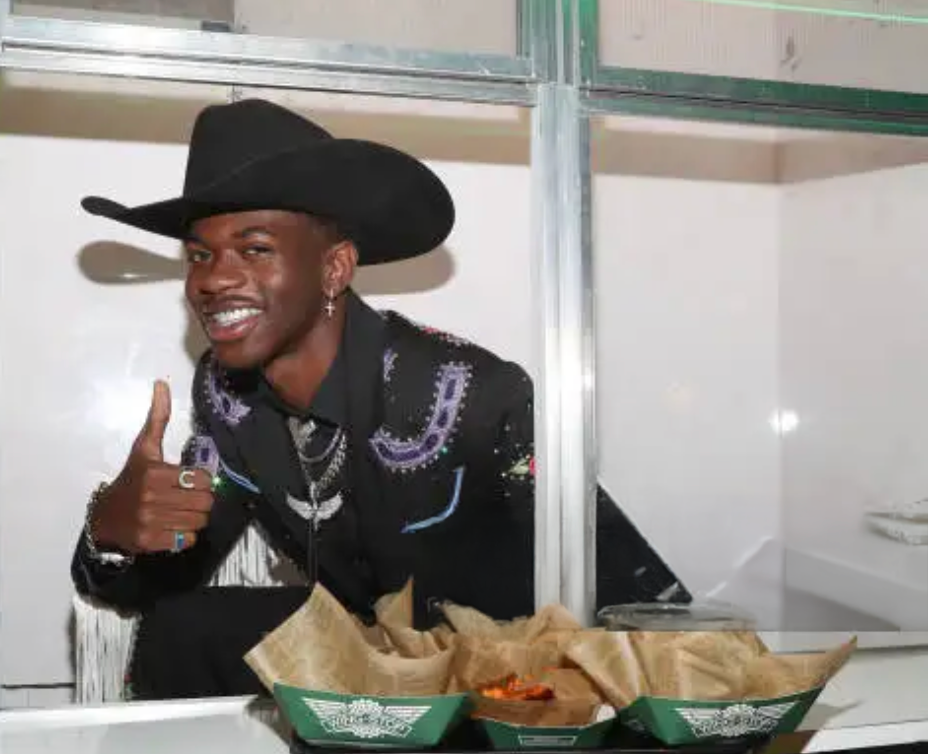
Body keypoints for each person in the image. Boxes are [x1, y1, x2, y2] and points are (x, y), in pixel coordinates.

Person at [70, 98, 690, 700]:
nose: (211, 280)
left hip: (501, 687)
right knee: (185, 629)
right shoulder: (227, 395)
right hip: (369, 663)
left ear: (336, 269)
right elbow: (169, 567)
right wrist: (110, 527)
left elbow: (633, 599)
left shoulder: (469, 394)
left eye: (254, 249)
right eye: (201, 255)